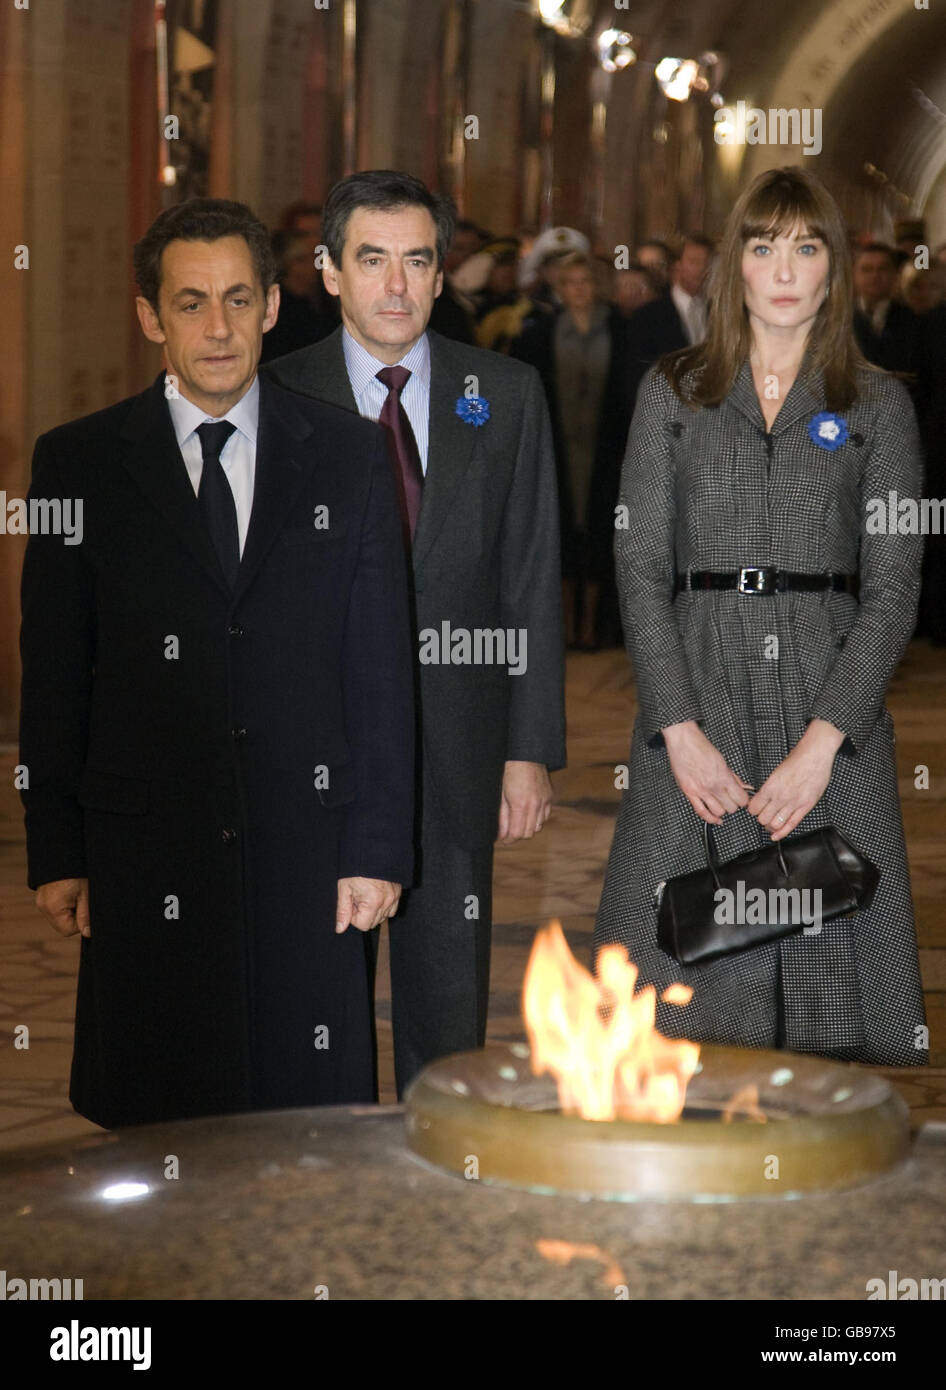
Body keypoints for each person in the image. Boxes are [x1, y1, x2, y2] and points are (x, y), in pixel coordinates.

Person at [19, 198, 416, 1128]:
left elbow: (382, 671)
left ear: (274, 308)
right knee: (156, 1132)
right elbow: (54, 670)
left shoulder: (352, 457)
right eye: (190, 303)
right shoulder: (77, 465)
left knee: (306, 1129)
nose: (218, 327)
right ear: (151, 316)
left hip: (307, 855)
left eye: (239, 299)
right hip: (143, 846)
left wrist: (375, 846)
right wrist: (57, 847)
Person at [594, 165, 927, 1067]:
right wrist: (676, 729)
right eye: (764, 245)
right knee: (677, 971)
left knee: (825, 966)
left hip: (830, 702)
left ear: (836, 269)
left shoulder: (879, 405)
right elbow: (638, 561)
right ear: (734, 264)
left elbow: (895, 586)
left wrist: (826, 744)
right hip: (697, 689)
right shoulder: (677, 391)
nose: (785, 269)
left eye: (807, 247)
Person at [265, 170, 566, 1097]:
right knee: (320, 1006)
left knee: (446, 1014)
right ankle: (328, 1178)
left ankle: (444, 1180)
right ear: (328, 272)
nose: (395, 286)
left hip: (457, 750)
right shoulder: (277, 394)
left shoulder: (504, 395)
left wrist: (528, 751)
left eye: (417, 262)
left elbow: (530, 576)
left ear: (443, 277)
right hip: (322, 759)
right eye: (371, 260)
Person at [512, 251, 629, 650]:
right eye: (570, 282)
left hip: (605, 453)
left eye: (586, 281)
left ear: (598, 286)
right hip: (557, 452)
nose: (578, 289)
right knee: (559, 537)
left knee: (598, 539)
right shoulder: (538, 334)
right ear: (559, 287)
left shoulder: (620, 331)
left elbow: (630, 394)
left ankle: (592, 628)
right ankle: (560, 628)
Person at [622, 234, 714, 410]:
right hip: (664, 418)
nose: (702, 269)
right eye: (695, 262)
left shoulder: (720, 314)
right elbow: (636, 379)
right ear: (677, 266)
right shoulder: (648, 317)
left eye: (707, 263)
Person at [852, 242, 922, 380]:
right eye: (867, 269)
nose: (875, 276)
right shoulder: (838, 319)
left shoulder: (914, 319)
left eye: (882, 269)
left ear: (895, 274)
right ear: (854, 275)